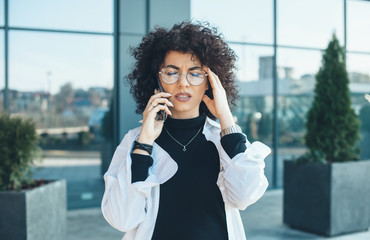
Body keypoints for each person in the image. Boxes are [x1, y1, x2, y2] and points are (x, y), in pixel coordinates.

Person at [101, 22, 271, 240]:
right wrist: (144, 143)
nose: (183, 83)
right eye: (171, 73)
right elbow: (122, 219)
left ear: (210, 82)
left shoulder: (226, 138)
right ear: (158, 80)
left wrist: (225, 117)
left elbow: (245, 196)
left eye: (195, 73)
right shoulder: (135, 140)